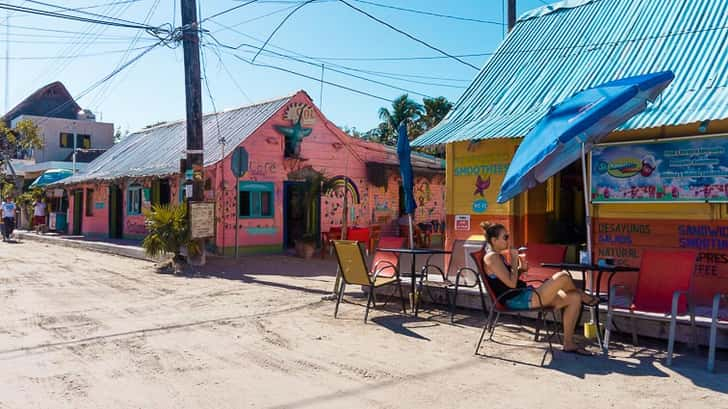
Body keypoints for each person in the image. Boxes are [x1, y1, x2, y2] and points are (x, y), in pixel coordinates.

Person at [480, 221, 598, 356]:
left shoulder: (498, 256)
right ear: (494, 240)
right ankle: (582, 294)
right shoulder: (492, 257)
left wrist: (520, 269)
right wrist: (513, 261)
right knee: (563, 276)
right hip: (517, 299)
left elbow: (508, 280)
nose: (508, 240)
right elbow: (511, 285)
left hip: (525, 294)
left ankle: (568, 343)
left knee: (573, 298)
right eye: (505, 237)